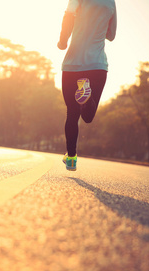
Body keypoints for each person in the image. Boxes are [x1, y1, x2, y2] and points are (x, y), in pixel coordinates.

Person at [57, 0, 117, 171]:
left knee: (72, 113)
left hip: (73, 64)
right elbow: (111, 35)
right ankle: (87, 95)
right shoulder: (111, 2)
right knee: (88, 117)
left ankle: (71, 158)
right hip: (97, 65)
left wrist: (62, 41)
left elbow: (68, 17)